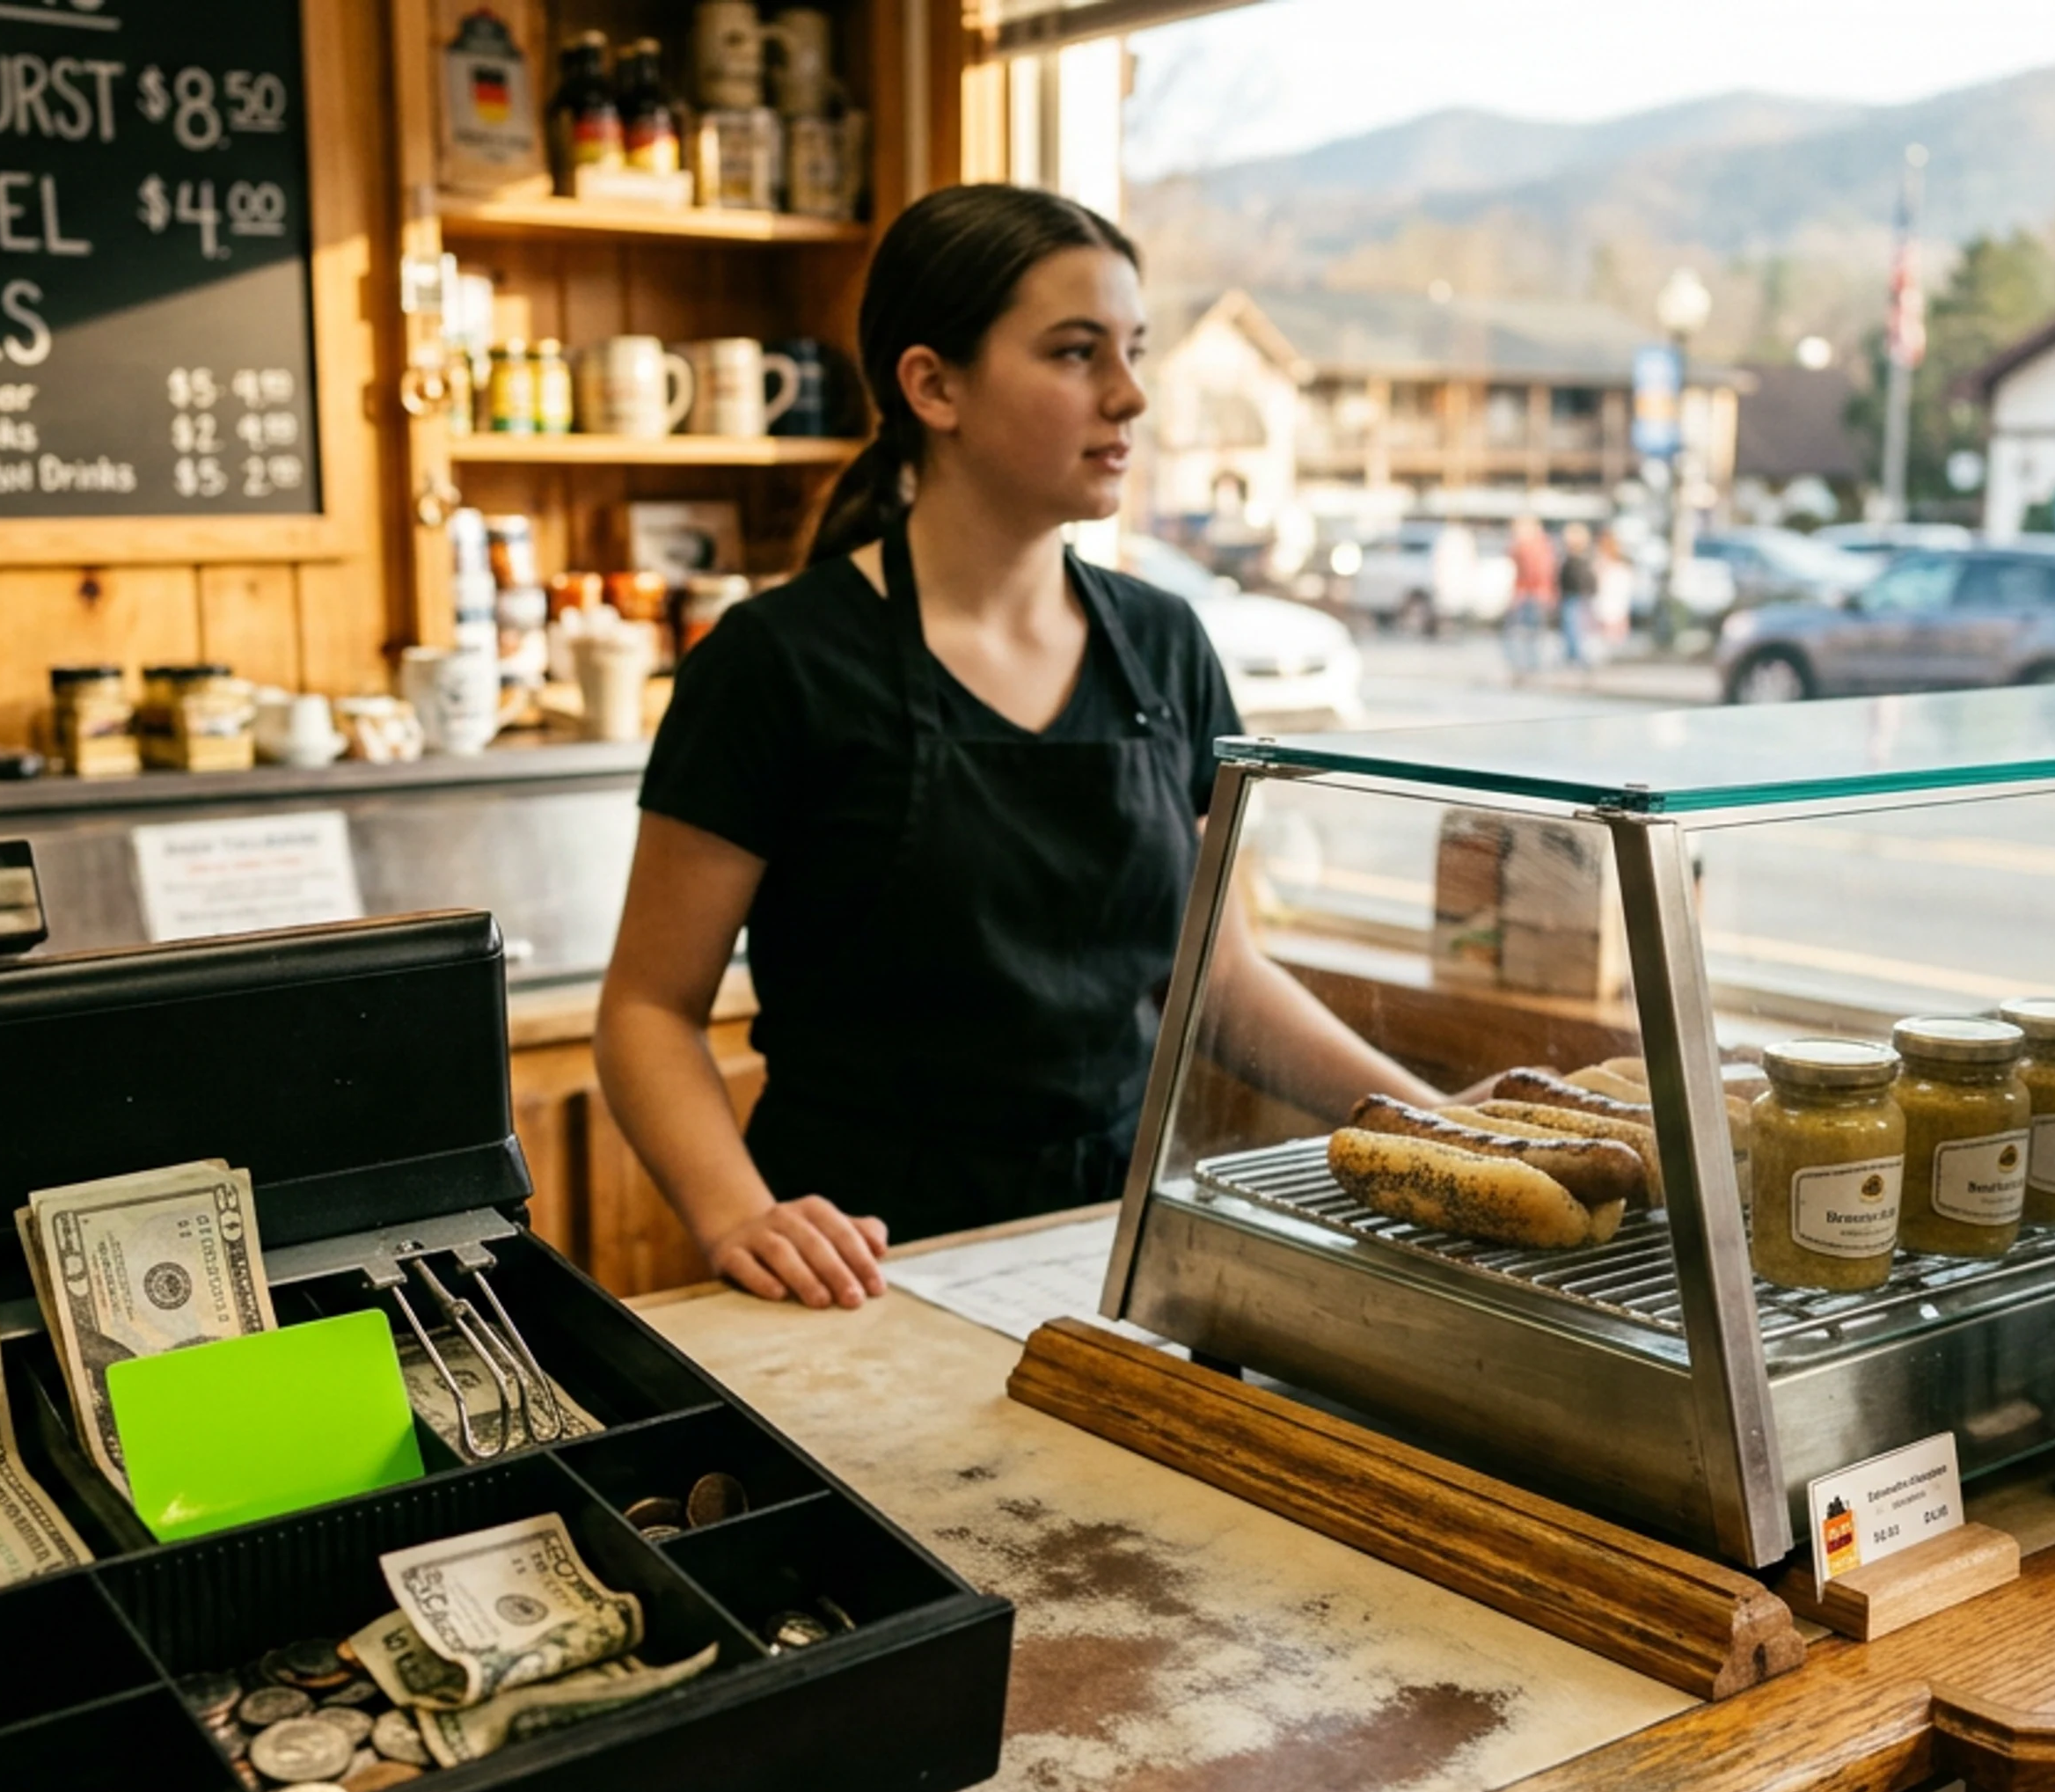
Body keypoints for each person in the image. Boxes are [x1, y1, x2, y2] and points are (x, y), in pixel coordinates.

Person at [597, 185, 1441, 1311]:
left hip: (1114, 1246)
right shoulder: (776, 664)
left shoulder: (1164, 645)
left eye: (1132, 350)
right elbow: (647, 1010)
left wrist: (1443, 1130)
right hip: (864, 1269)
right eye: (1075, 352)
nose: (1131, 395)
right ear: (932, 385)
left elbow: (1221, 982)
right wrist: (740, 1215)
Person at [1502, 516, 1558, 678]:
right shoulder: (1534, 546)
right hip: (1531, 593)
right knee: (1527, 631)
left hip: (1531, 594)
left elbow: (1537, 572)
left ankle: (1528, 665)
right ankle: (1526, 664)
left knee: (1526, 631)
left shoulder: (1534, 547)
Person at [1554, 523, 1600, 673]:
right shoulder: (1576, 557)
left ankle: (1578, 657)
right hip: (1574, 595)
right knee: (1574, 628)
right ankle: (1575, 656)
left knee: (1576, 628)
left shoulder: (1579, 559)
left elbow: (1584, 579)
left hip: (1577, 596)